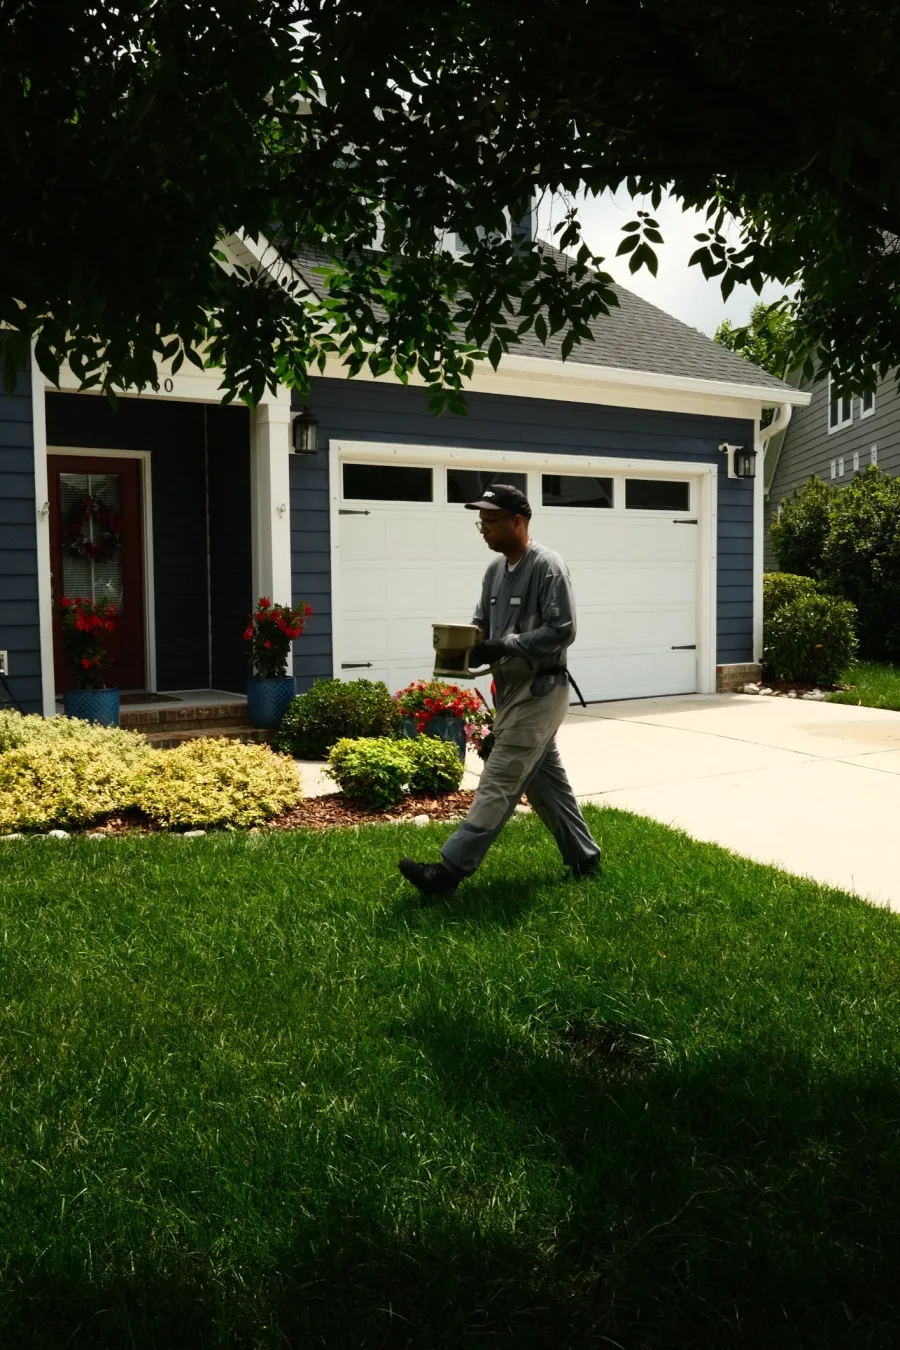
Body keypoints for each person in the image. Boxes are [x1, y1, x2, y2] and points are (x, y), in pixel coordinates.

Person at [398, 483, 602, 897]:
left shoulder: (548, 566)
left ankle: (448, 872)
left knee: (501, 777)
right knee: (544, 781)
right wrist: (467, 649)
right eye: (481, 522)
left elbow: (564, 630)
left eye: (490, 521)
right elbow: (482, 628)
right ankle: (585, 858)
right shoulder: (494, 571)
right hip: (509, 693)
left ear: (518, 521)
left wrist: (503, 645)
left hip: (541, 690)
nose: (483, 529)